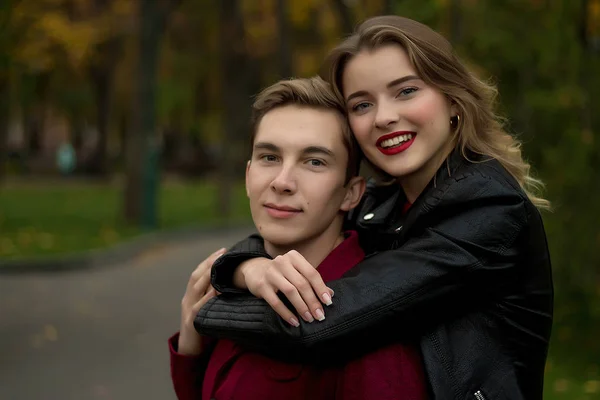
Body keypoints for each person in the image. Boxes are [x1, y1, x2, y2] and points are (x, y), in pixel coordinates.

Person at [195, 15, 554, 400]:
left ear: (453, 99)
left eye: (405, 92)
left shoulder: (489, 210)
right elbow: (287, 229)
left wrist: (207, 314)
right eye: (362, 104)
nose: (383, 117)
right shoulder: (387, 202)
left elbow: (320, 324)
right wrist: (247, 269)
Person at [169, 76, 428, 399]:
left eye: (314, 161)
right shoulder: (232, 285)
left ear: (351, 194)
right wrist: (191, 351)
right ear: (249, 176)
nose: (282, 182)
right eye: (270, 157)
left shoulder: (373, 331)